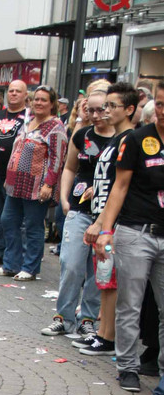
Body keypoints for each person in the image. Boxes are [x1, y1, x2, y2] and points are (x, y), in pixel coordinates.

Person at [93, 79, 164, 392]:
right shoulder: (137, 140)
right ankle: (128, 367)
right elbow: (119, 188)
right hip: (136, 232)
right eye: (159, 103)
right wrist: (105, 229)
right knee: (130, 305)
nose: (162, 110)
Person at [41, 89, 114, 341]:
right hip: (78, 209)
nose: (94, 115)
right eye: (89, 110)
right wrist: (64, 198)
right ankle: (63, 317)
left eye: (100, 109)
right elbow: (70, 167)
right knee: (70, 265)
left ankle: (87, 320)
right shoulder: (82, 135)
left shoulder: (122, 139)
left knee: (97, 270)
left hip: (106, 214)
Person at [76, 82, 138, 357]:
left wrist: (102, 222)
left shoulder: (129, 139)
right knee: (103, 276)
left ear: (129, 109)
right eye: (105, 106)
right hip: (100, 214)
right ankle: (102, 333)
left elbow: (120, 187)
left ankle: (108, 336)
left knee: (110, 278)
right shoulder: (116, 139)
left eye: (112, 106)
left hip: (111, 222)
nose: (105, 111)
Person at [0, 84, 67, 281]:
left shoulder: (56, 127)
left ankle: (30, 267)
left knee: (33, 226)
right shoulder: (29, 122)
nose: (39, 103)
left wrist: (49, 185)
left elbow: (57, 159)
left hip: (37, 186)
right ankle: (10, 264)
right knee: (8, 221)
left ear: (52, 104)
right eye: (36, 99)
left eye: (44, 100)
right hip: (15, 183)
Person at [0, 79, 28, 265]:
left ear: (25, 95)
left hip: (17, 175)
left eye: (18, 91)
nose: (14, 94)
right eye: (11, 90)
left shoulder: (29, 118)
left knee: (14, 218)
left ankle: (17, 253)